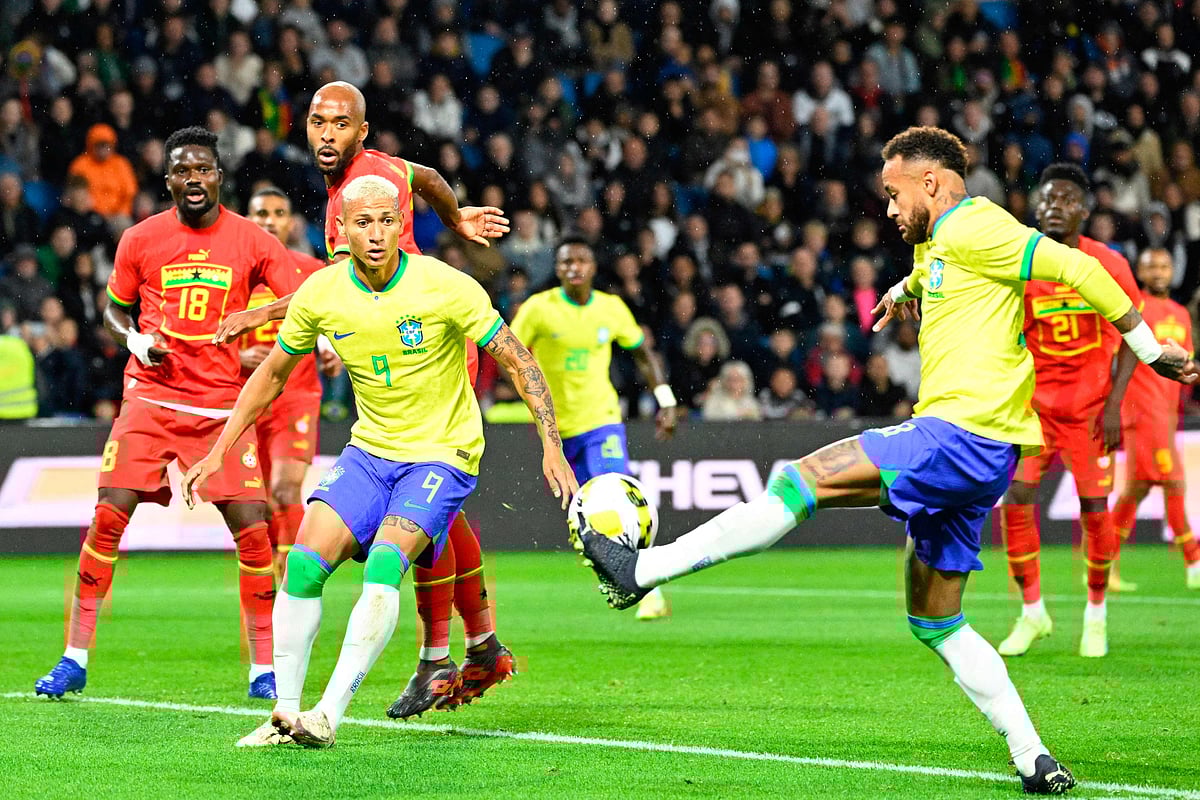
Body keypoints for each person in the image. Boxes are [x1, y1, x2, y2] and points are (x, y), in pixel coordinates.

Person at [575, 127, 1198, 795]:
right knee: (936, 620)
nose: (890, 210)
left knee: (800, 480)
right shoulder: (945, 239)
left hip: (958, 437)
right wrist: (906, 289)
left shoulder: (976, 225)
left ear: (931, 183)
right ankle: (1033, 756)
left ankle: (641, 568)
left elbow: (1079, 268)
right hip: (984, 452)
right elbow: (944, 264)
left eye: (894, 195)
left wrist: (1147, 346)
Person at [182, 175, 574, 748]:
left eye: (387, 221)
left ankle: (328, 715)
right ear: (340, 230)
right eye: (362, 223)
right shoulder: (322, 292)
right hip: (370, 451)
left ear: (401, 224)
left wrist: (552, 445)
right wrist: (219, 449)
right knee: (302, 567)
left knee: (385, 563)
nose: (375, 233)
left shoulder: (445, 285)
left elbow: (518, 360)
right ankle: (283, 716)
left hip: (443, 453)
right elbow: (270, 375)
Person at [220, 81, 514, 719]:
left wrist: (266, 313)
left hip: (417, 342)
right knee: (438, 508)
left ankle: (443, 656)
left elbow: (350, 282)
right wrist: (457, 216)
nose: (326, 135)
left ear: (361, 130)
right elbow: (428, 175)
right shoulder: (375, 174)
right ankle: (474, 643)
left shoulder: (359, 189)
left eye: (339, 124)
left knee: (425, 494)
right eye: (317, 122)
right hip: (396, 335)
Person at [34, 126, 306, 701]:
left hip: (221, 409)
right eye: (183, 171)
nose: (194, 180)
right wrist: (134, 342)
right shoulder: (140, 238)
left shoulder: (254, 242)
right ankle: (73, 658)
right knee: (108, 516)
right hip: (151, 400)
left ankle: (263, 669)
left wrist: (261, 327)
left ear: (218, 175)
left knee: (254, 530)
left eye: (203, 169)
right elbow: (113, 312)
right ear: (169, 181)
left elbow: (301, 299)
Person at [996, 164, 1142, 661]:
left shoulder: (1109, 263)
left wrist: (1115, 402)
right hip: (1033, 409)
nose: (1052, 206)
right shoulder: (1020, 262)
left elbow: (1130, 333)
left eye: (1064, 199)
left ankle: (1095, 614)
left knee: (1095, 511)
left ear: (1083, 210)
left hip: (1089, 410)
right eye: (1045, 199)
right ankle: (1032, 611)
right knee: (1015, 499)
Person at [512, 238, 679, 620]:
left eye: (581, 260)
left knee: (619, 499)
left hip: (601, 422)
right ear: (557, 269)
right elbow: (510, 354)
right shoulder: (539, 309)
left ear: (592, 267)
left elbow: (641, 352)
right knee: (584, 518)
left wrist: (665, 399)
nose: (574, 267)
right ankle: (618, 575)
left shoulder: (611, 308)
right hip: (555, 430)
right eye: (566, 261)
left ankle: (650, 589)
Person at [241, 187, 342, 580]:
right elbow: (203, 334)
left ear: (291, 222)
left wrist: (332, 351)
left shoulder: (312, 270)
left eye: (278, 213)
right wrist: (235, 357)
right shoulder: (235, 275)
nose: (269, 220)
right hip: (245, 402)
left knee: (285, 489)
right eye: (261, 212)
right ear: (248, 220)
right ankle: (267, 584)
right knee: (260, 502)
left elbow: (333, 324)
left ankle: (295, 579)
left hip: (295, 397)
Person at [1111, 248, 1200, 590]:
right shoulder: (1136, 310)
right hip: (1142, 414)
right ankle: (1193, 562)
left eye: (1164, 266)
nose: (1160, 272)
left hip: (1166, 416)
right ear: (1141, 272)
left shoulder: (1180, 312)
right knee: (1174, 483)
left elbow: (1186, 363)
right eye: (1152, 267)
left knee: (1136, 490)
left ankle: (1106, 560)